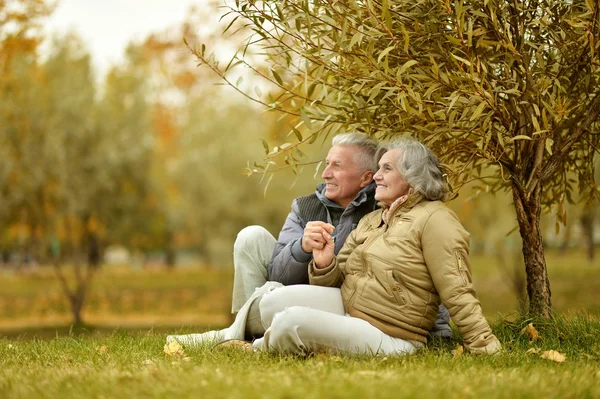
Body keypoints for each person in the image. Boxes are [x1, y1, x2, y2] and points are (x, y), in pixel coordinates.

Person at [167, 134, 451, 347]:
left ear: (367, 178)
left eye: (336, 166)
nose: (325, 173)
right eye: (327, 164)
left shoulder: (383, 209)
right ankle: (247, 332)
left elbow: (425, 268)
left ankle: (232, 336)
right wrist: (301, 248)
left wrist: (439, 330)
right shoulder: (305, 207)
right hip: (298, 289)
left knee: (278, 303)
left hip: (349, 304)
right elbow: (277, 275)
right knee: (250, 237)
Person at [252, 138, 501, 356]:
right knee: (271, 303)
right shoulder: (374, 219)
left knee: (289, 322)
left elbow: (457, 289)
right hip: (352, 310)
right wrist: (325, 263)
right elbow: (339, 278)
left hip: (394, 333)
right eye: (378, 168)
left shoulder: (436, 220)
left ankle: (257, 347)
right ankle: (280, 338)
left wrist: (483, 345)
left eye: (387, 168)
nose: (377, 176)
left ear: (412, 177)